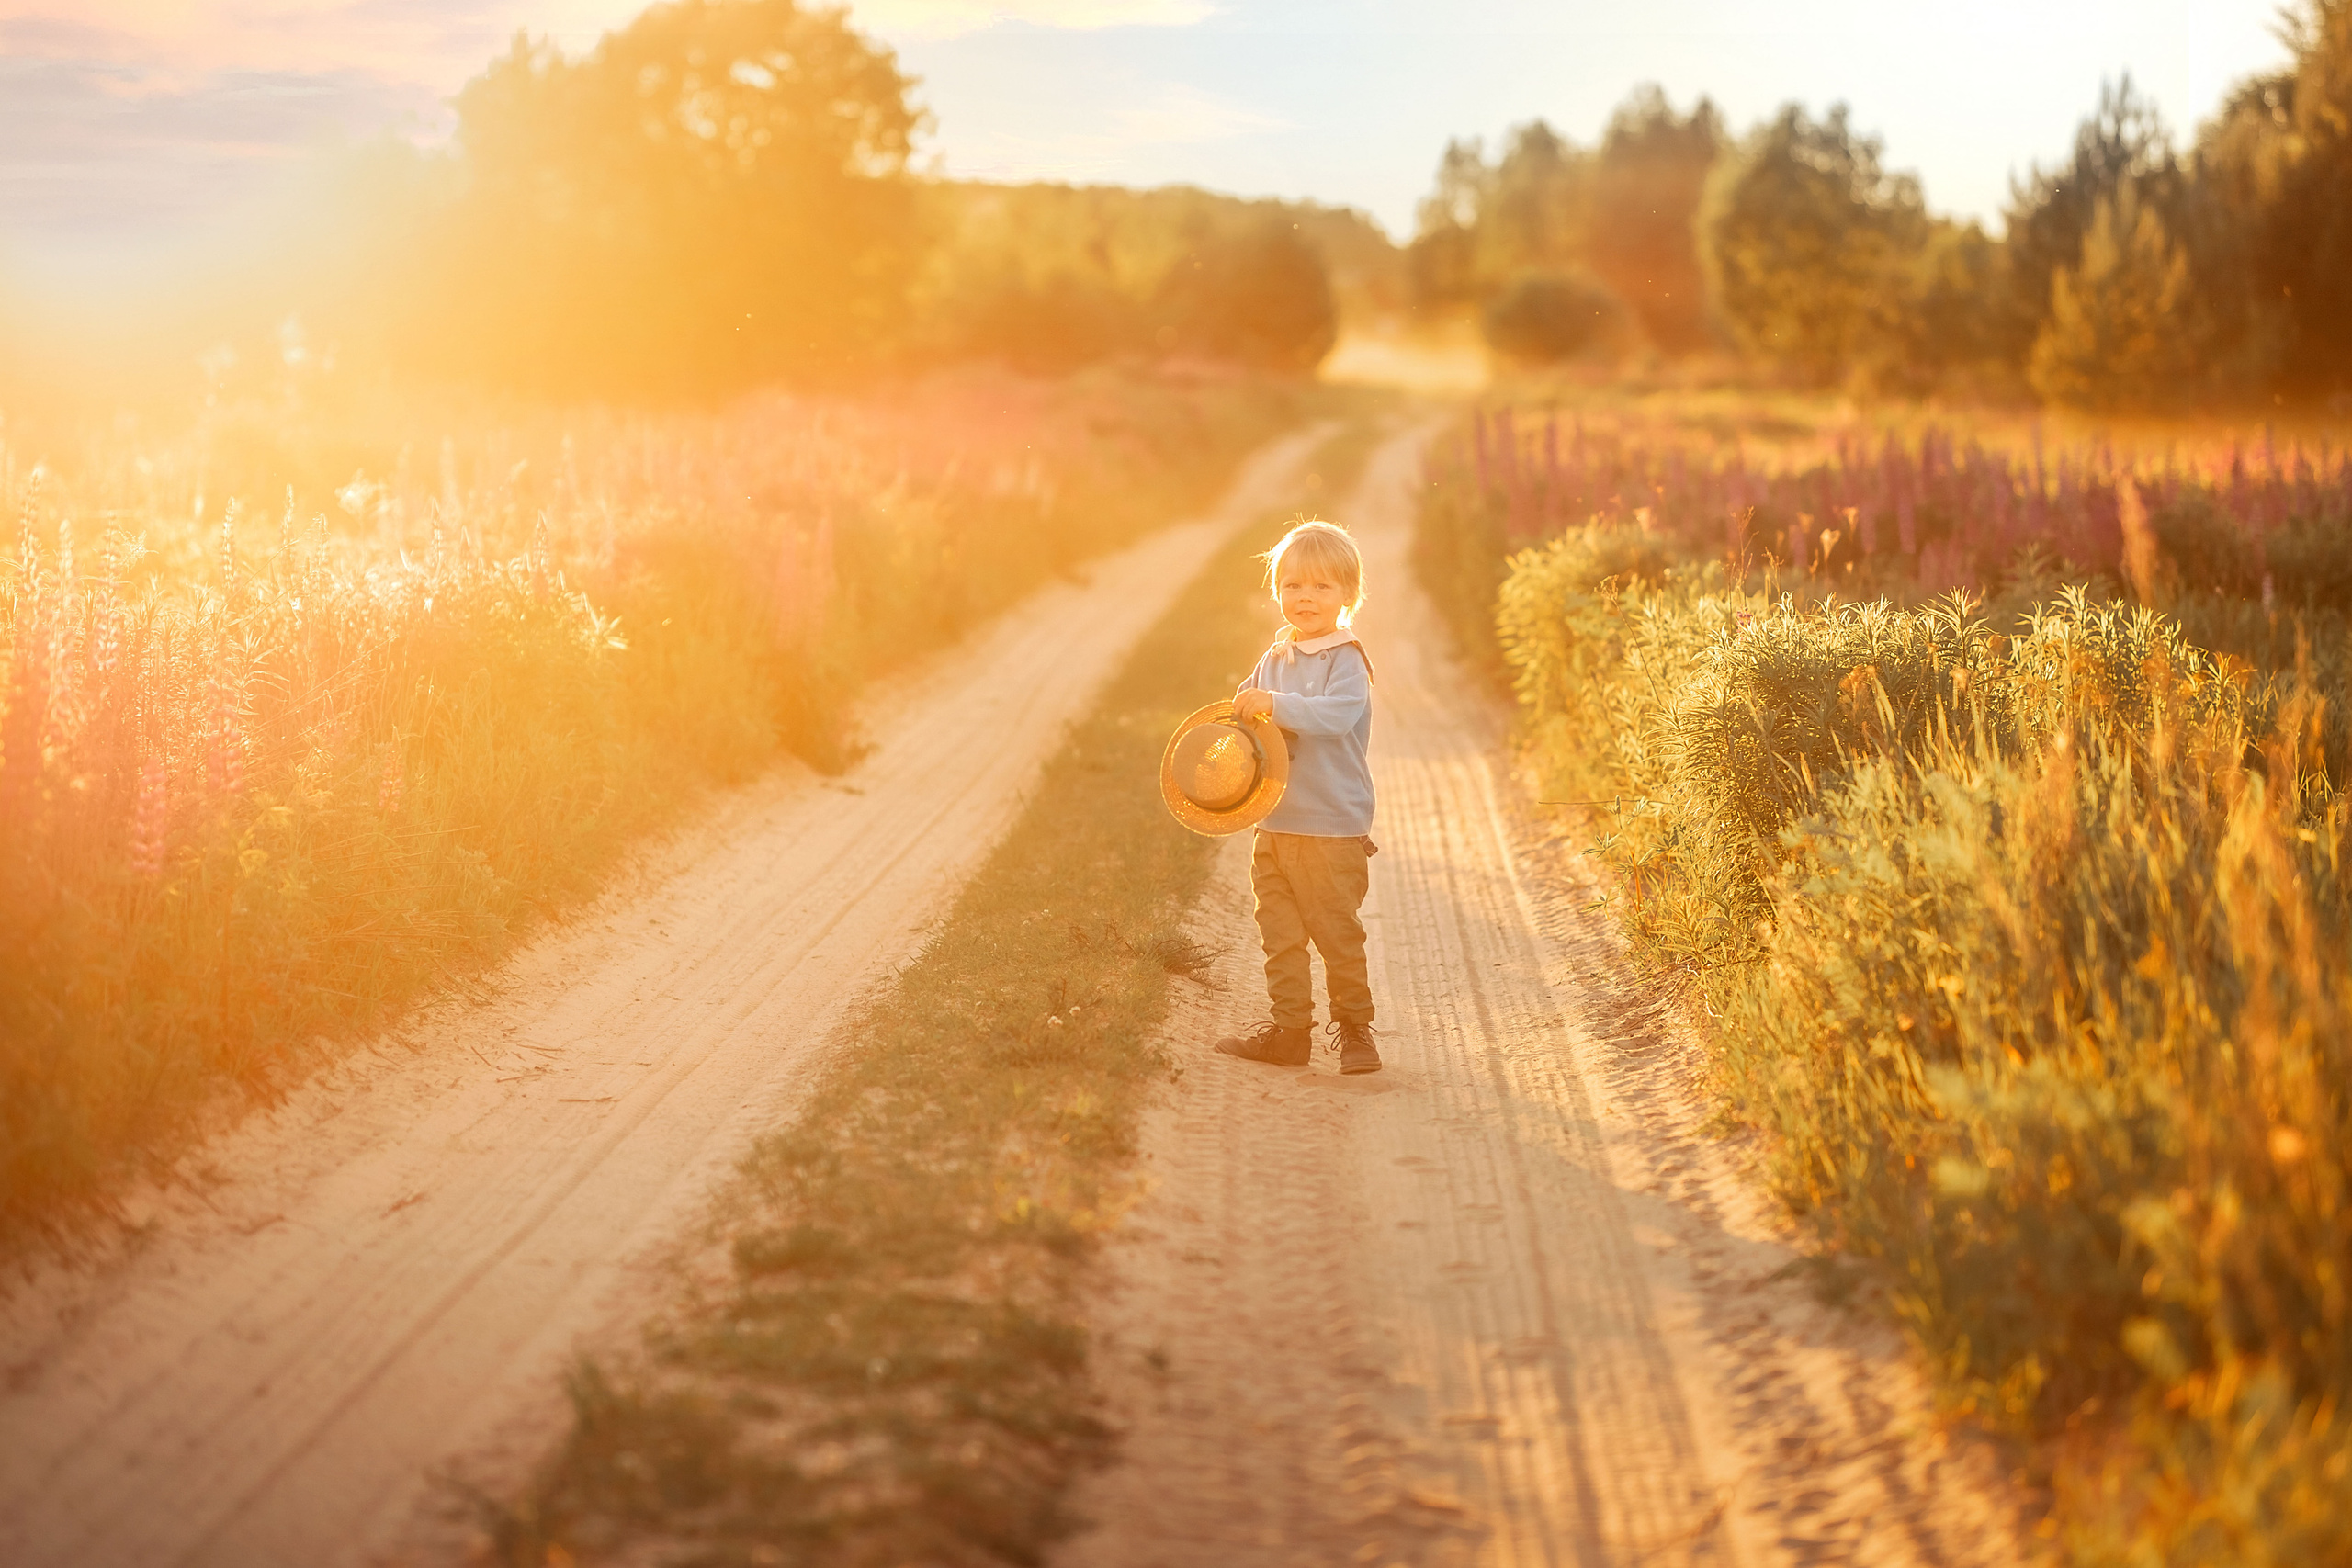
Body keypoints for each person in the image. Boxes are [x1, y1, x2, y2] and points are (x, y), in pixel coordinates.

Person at [1215, 519, 1382, 1075]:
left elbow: (1335, 718)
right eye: (1293, 586)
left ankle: (1357, 1031)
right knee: (1280, 936)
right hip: (1275, 822)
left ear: (1348, 596)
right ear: (1276, 591)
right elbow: (1250, 710)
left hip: (1331, 828)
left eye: (1321, 587)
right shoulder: (1277, 655)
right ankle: (1290, 1032)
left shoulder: (1347, 659)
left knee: (1337, 935)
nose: (1305, 597)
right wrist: (1238, 717)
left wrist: (1274, 705)